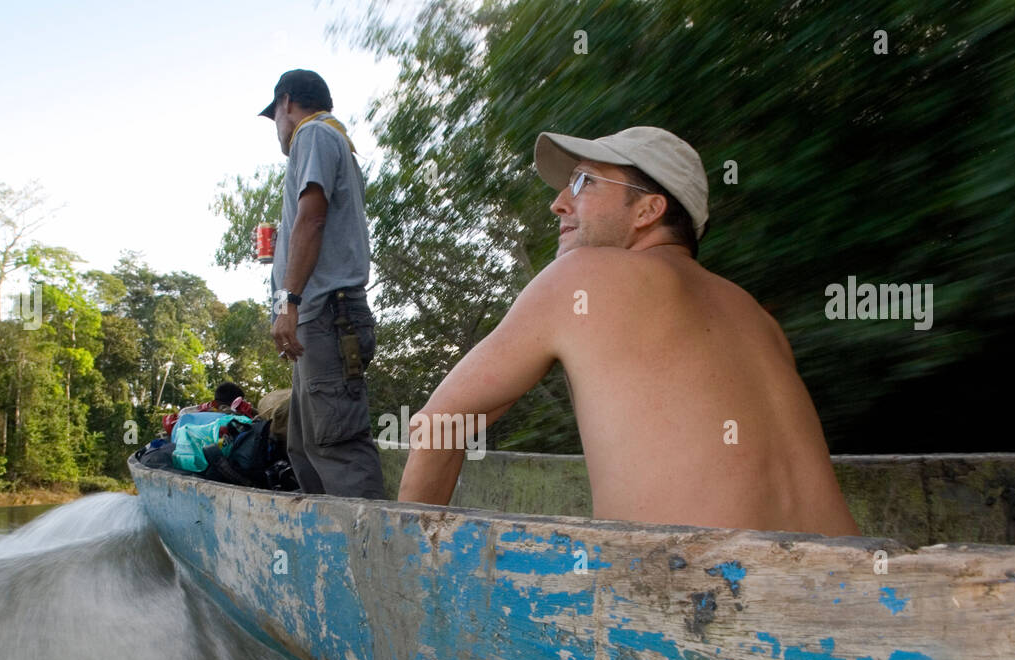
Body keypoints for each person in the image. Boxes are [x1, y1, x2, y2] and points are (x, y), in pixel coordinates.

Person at [398, 126, 861, 537]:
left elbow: (441, 427)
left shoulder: (582, 276)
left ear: (648, 210)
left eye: (583, 181)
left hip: (698, 607)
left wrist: (407, 573)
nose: (558, 202)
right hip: (860, 597)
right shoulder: (759, 318)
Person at [258, 69, 385, 500]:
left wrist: (287, 302)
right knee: (304, 445)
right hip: (318, 320)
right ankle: (329, 552)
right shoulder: (327, 142)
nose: (276, 128)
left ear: (287, 104)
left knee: (338, 448)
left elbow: (312, 219)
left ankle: (374, 562)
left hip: (328, 315)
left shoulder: (313, 135)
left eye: (274, 114)